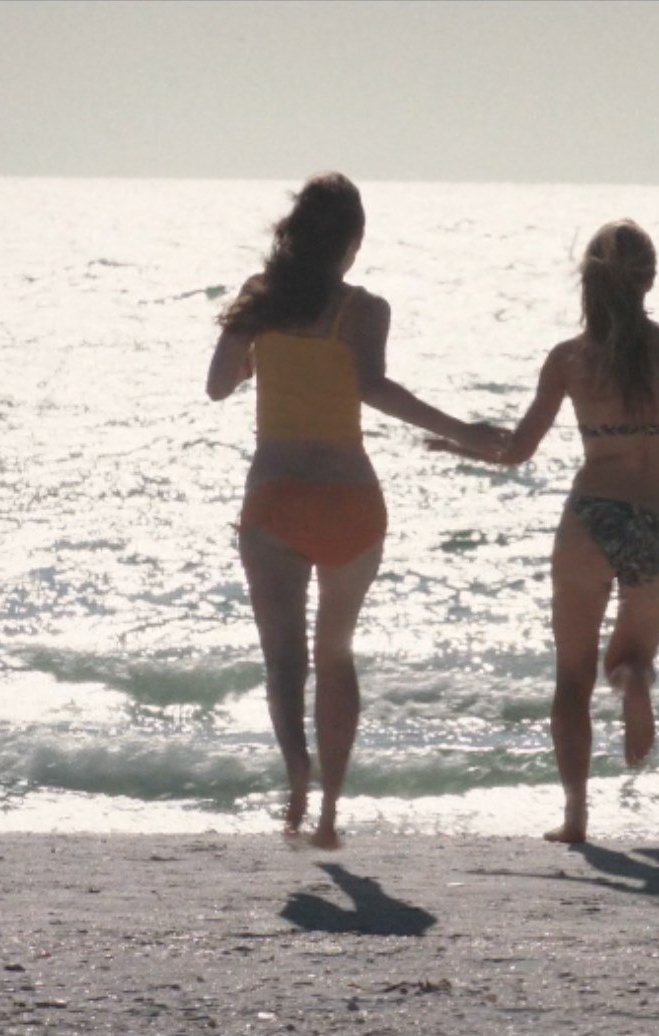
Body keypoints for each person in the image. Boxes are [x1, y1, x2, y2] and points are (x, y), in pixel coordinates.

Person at [206, 173, 504, 849]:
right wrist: (463, 432)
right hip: (350, 500)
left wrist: (256, 359)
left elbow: (218, 386)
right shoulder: (364, 309)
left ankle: (297, 779)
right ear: (353, 241)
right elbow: (373, 387)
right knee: (335, 656)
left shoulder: (258, 297)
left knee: (284, 659)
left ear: (291, 233)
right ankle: (332, 811)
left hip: (276, 498)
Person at [431, 220, 659, 844]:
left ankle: (576, 815)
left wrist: (458, 443)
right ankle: (635, 682)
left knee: (572, 678)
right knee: (630, 658)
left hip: (591, 517)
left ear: (589, 281)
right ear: (650, 279)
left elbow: (517, 450)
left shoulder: (570, 359)